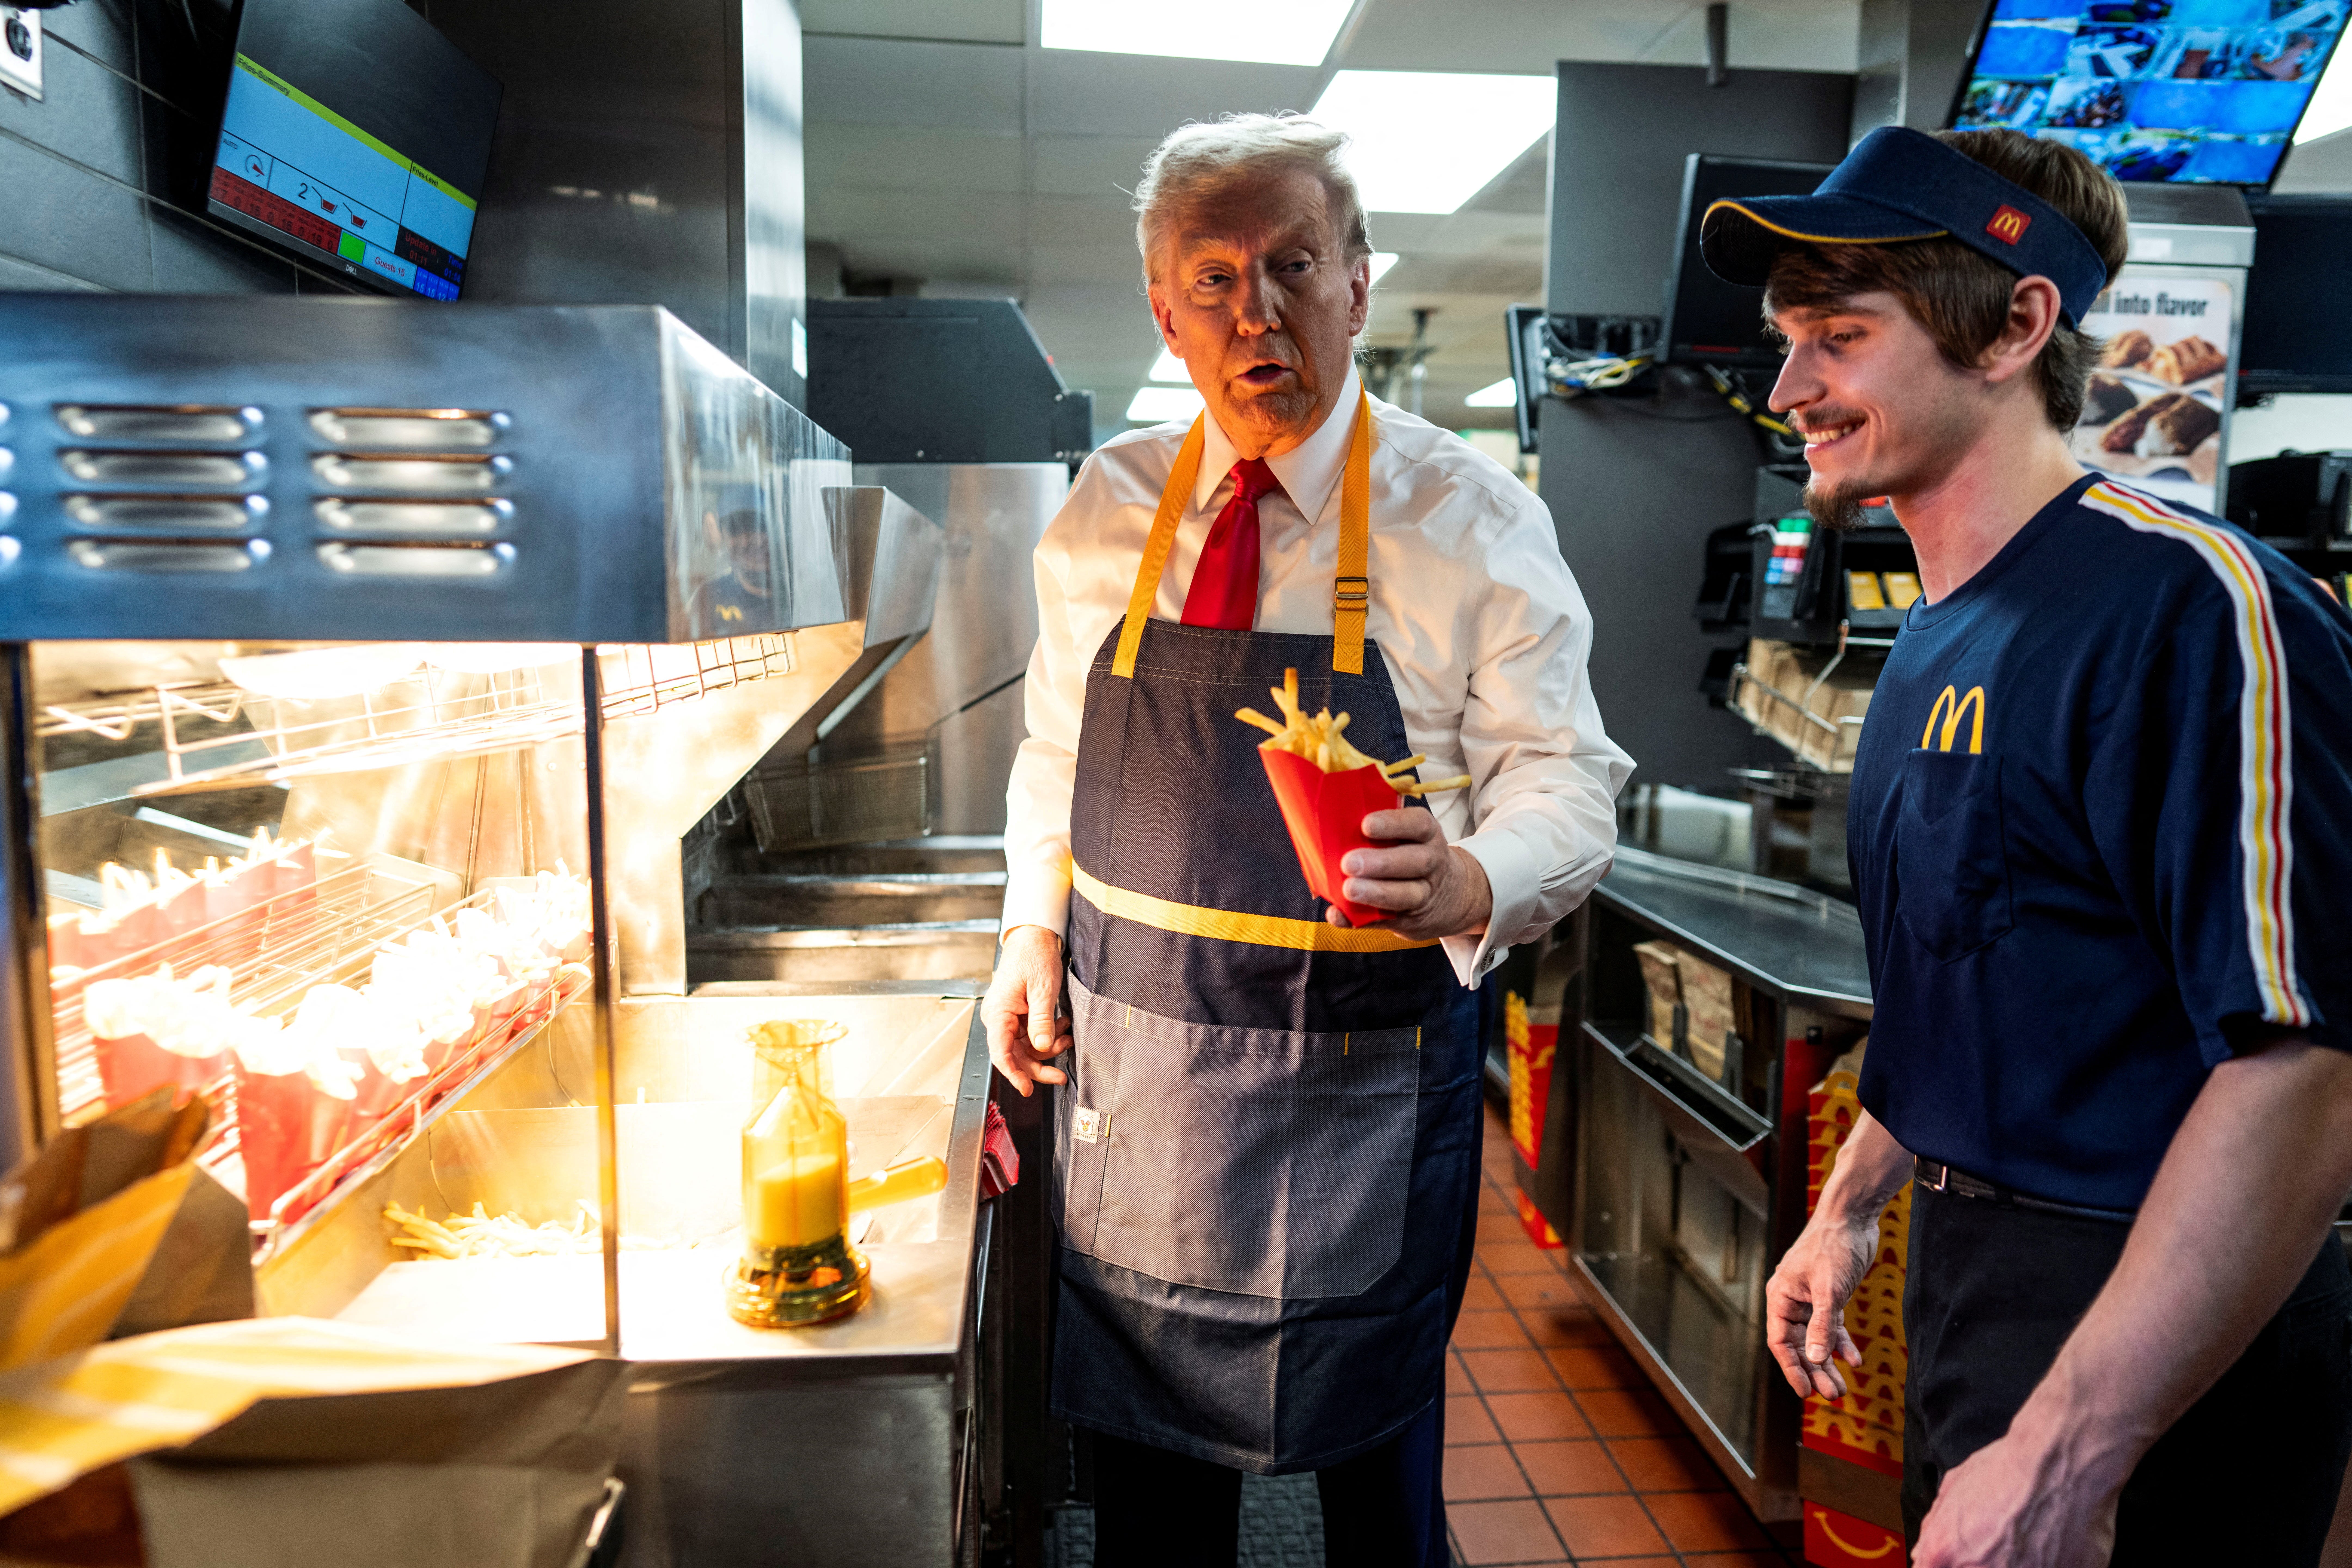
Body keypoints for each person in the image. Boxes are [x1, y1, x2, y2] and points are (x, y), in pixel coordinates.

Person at [983, 113, 1630, 1567]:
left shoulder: (1469, 519)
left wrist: (1474, 875)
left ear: (1357, 282)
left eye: (1292, 264)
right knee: (1154, 1519)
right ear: (1165, 309)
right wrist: (1032, 926)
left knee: (1378, 1514)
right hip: (1143, 1101)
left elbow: (1571, 787)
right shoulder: (1109, 511)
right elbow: (1060, 751)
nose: (1254, 310)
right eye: (1210, 279)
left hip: (1362, 1104)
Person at [1704, 125, 2352, 1566]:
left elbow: (2306, 1067)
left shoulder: (2195, 610)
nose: (1790, 389)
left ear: (2016, 325)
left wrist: (2068, 1455)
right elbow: (1980, 979)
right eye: (1788, 341)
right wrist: (1855, 1203)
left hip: (2160, 1325)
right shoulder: (1935, 639)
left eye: (1841, 338)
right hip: (1973, 1281)